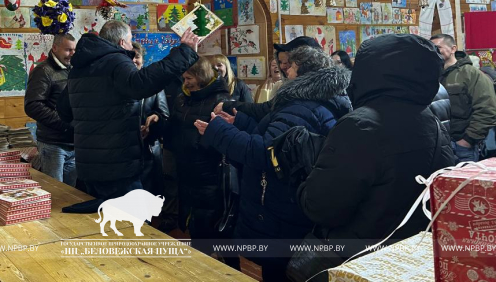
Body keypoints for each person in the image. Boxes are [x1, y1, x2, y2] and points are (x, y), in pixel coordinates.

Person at [297, 35, 456, 281]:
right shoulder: (430, 119)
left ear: (369, 71)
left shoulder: (359, 125)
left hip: (356, 259)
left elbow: (321, 207)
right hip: (401, 257)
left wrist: (301, 179)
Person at [195, 47, 352, 281]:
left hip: (282, 206)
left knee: (279, 272)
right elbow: (280, 142)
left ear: (301, 72)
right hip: (295, 203)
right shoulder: (321, 99)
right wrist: (240, 122)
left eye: (289, 68)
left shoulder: (300, 106)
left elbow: (266, 154)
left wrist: (219, 131)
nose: (285, 73)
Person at [57, 20, 199, 205]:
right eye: (131, 41)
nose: (132, 47)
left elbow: (64, 111)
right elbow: (142, 84)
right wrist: (185, 51)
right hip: (116, 163)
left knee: (102, 223)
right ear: (123, 42)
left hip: (87, 164)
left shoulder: (79, 69)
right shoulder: (116, 60)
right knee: (135, 222)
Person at [168, 57, 231, 247]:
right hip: (186, 169)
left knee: (212, 226)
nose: (185, 82)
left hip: (209, 172)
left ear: (201, 76)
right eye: (184, 78)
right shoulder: (183, 98)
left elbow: (225, 138)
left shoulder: (220, 100)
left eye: (189, 78)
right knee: (194, 224)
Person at [431, 33, 496, 162]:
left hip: (461, 146)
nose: (434, 52)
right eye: (431, 48)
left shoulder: (470, 74)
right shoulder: (429, 76)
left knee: (464, 182)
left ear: (453, 48)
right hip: (435, 147)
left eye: (438, 47)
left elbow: (487, 109)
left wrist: (468, 140)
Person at [24, 33, 77, 186]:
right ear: (55, 48)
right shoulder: (43, 71)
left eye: (74, 50)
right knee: (56, 193)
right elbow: (33, 106)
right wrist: (65, 124)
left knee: (72, 194)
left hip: (72, 144)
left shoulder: (72, 69)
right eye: (68, 50)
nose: (72, 54)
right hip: (53, 144)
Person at [132, 42, 170, 196]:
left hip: (148, 151)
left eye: (137, 57)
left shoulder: (154, 84)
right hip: (124, 152)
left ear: (143, 59)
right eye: (130, 57)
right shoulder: (117, 83)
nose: (134, 60)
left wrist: (154, 121)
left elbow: (165, 116)